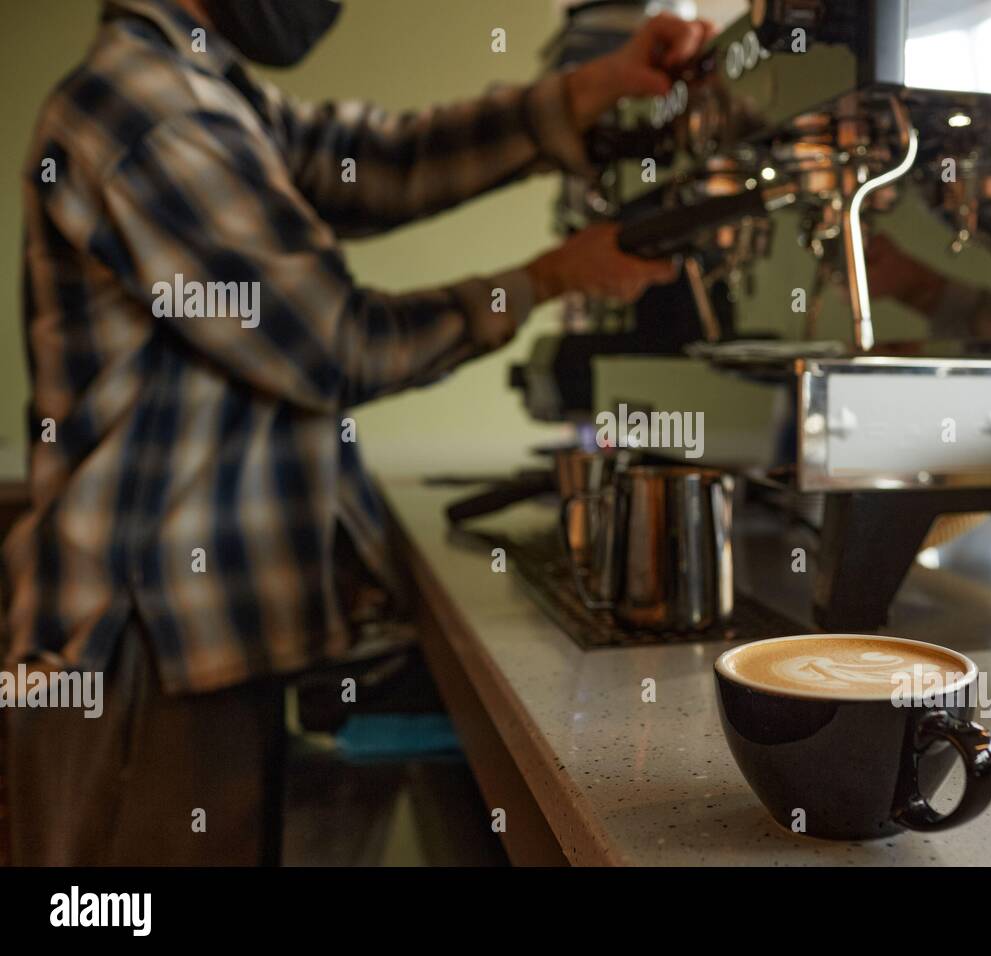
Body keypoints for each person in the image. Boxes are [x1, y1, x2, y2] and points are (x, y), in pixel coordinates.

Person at [3, 0, 708, 865]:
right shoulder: (141, 107)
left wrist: (590, 89)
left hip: (203, 639)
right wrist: (553, 275)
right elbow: (335, 343)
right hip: (145, 654)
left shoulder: (209, 87)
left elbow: (375, 161)